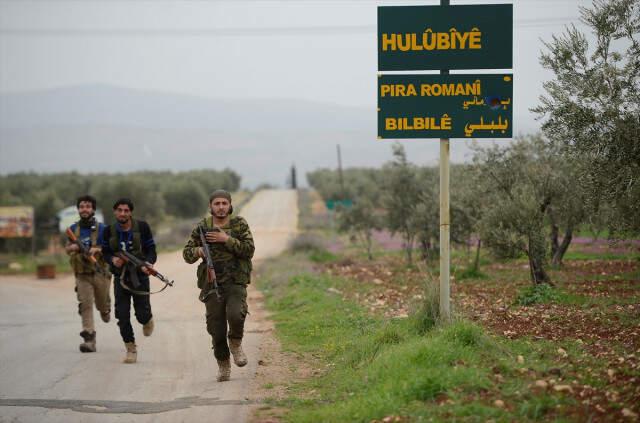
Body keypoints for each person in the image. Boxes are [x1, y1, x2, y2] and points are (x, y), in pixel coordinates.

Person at [182, 190, 255, 382]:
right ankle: (223, 364)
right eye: (217, 203)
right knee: (216, 328)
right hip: (211, 283)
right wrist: (198, 251)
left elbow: (249, 250)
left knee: (236, 314)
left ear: (230, 205)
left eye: (224, 203)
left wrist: (226, 239)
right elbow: (187, 254)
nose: (221, 207)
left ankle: (236, 343)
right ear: (210, 206)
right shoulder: (202, 227)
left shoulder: (239, 224)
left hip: (235, 281)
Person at [101, 198, 157, 364]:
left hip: (140, 277)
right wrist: (112, 260)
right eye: (119, 210)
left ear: (130, 212)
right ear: (115, 211)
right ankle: (130, 348)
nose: (123, 213)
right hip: (121, 278)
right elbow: (105, 252)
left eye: (126, 210)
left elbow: (151, 249)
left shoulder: (142, 227)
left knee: (142, 314)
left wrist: (149, 263)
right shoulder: (108, 231)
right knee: (122, 315)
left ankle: (147, 320)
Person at [64, 195, 111, 353]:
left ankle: (105, 309)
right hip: (82, 274)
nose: (84, 209)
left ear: (93, 209)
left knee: (102, 305)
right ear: (78, 209)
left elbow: (111, 249)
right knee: (85, 305)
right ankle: (89, 339)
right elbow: (67, 248)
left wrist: (97, 249)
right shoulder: (73, 229)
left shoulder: (103, 229)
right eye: (82, 206)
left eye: (88, 206)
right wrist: (74, 248)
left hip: (100, 273)